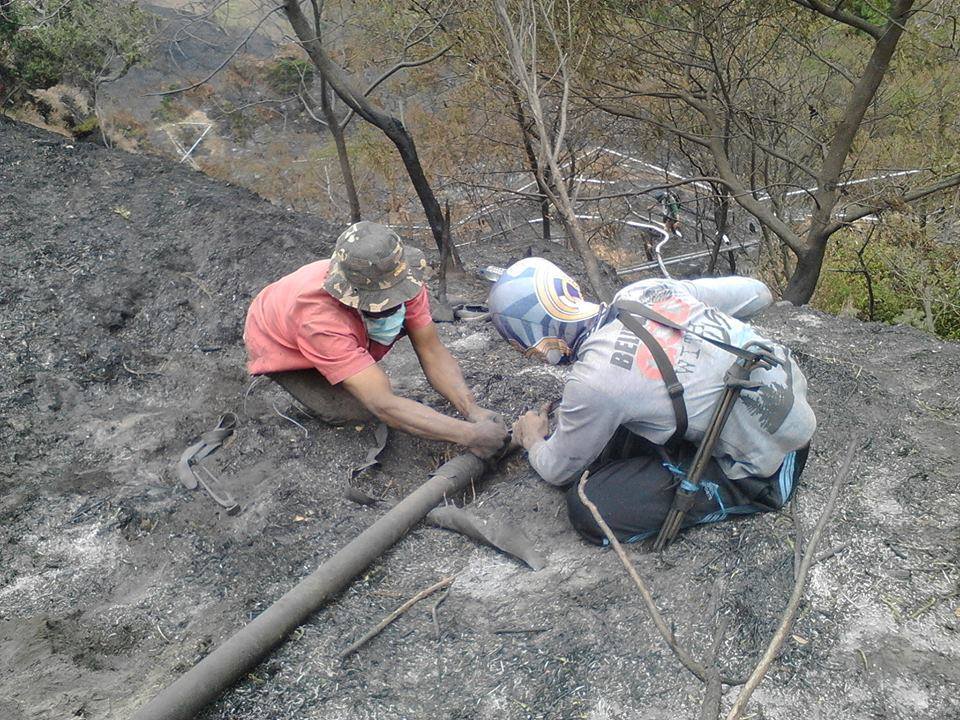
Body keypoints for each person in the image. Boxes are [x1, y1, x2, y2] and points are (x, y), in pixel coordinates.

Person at [488, 257, 816, 543]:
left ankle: (738, 493)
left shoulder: (593, 380)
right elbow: (758, 293)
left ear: (537, 342)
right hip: (790, 405)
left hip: (769, 468)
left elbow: (557, 470)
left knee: (590, 505)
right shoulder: (644, 291)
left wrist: (533, 440)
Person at [244, 221, 508, 457]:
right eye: (383, 303)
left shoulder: (404, 278)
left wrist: (471, 410)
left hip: (329, 325)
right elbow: (383, 405)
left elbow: (432, 351)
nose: (394, 304)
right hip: (279, 343)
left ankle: (353, 367)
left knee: (371, 386)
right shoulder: (317, 319)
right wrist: (469, 435)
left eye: (396, 298)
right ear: (355, 296)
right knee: (357, 412)